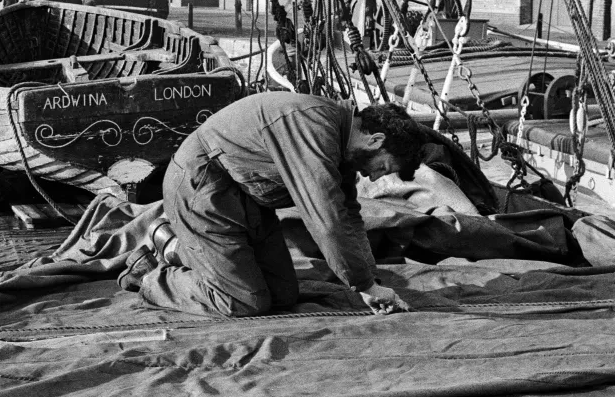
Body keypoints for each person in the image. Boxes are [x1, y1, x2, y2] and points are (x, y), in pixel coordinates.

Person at [121, 93, 426, 318]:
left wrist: (370, 279)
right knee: (242, 302)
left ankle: (172, 245)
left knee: (283, 295)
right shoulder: (315, 126)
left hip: (246, 199)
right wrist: (363, 286)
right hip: (203, 189)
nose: (373, 176)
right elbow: (327, 220)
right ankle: (151, 276)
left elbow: (348, 216)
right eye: (382, 168)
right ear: (374, 141)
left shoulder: (340, 145)